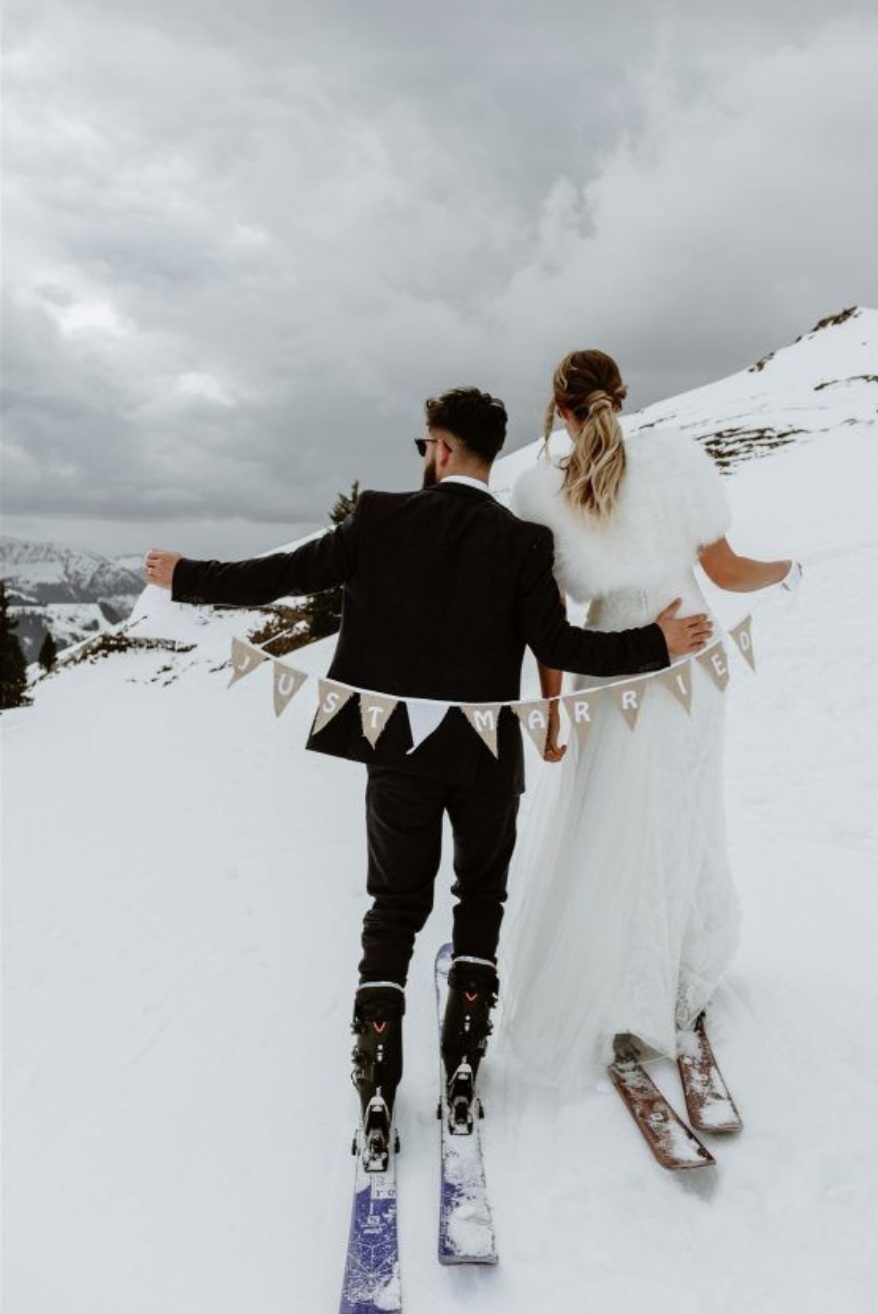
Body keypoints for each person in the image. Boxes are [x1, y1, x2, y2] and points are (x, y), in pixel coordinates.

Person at [142, 385, 715, 1166]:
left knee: (394, 908)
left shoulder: (379, 519)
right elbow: (563, 646)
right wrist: (657, 643)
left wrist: (185, 576)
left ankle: (378, 1081)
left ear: (441, 449)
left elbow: (278, 575)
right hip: (487, 760)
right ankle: (464, 1069)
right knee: (480, 901)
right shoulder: (523, 543)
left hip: (398, 752)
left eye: (426, 445)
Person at [499, 350, 800, 1095]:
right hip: (692, 655)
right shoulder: (676, 462)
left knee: (614, 822)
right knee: (682, 811)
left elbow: (549, 624)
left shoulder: (541, 494)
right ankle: (674, 970)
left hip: (613, 661)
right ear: (622, 397)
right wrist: (788, 570)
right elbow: (728, 573)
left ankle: (623, 985)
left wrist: (554, 712)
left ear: (559, 411)